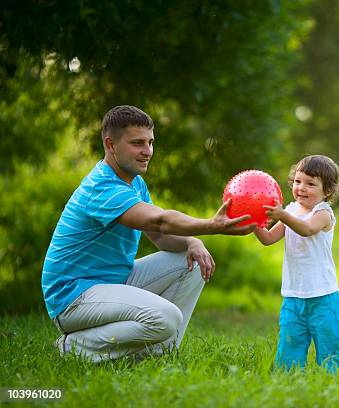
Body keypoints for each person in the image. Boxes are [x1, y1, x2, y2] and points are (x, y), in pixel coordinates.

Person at [41, 105, 255, 362]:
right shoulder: (101, 186)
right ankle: (72, 347)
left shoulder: (134, 183)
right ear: (111, 144)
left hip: (112, 281)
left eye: (151, 142)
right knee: (166, 317)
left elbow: (159, 237)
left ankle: (160, 351)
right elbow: (162, 221)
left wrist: (192, 241)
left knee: (194, 262)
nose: (148, 151)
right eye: (138, 143)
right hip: (74, 296)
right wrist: (211, 225)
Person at [254, 155, 339, 372]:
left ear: (328, 191)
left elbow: (307, 230)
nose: (301, 188)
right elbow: (268, 239)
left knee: (330, 350)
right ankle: (289, 380)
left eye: (311, 184)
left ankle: (331, 385)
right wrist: (253, 220)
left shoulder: (323, 213)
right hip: (293, 298)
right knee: (289, 349)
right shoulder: (291, 210)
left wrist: (282, 215)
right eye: (297, 181)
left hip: (324, 298)